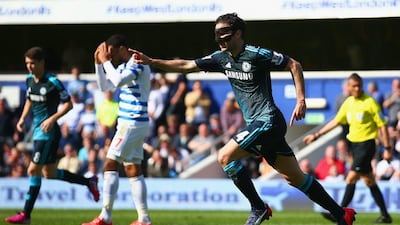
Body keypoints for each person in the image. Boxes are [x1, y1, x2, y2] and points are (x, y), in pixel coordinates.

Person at [131, 13, 355, 225]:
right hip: (259, 126)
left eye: (225, 37)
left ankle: (258, 207)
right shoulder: (221, 58)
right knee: (295, 178)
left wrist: (301, 99)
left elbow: (293, 64)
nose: (221, 42)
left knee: (225, 156)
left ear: (238, 34)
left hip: (268, 120)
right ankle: (341, 213)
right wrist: (153, 61)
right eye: (217, 37)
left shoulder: (257, 55)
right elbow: (187, 65)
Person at [4, 46, 99, 224]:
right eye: (27, 64)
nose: (29, 67)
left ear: (42, 62)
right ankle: (89, 182)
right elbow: (30, 99)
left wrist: (52, 119)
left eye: (32, 63)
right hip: (37, 131)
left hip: (49, 132)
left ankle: (26, 214)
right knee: (49, 173)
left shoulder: (53, 81)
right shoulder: (29, 80)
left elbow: (68, 104)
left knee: (33, 170)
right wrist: (23, 118)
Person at [303, 73, 392, 224]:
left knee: (351, 177)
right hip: (355, 146)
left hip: (367, 145)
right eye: (354, 86)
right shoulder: (349, 103)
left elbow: (382, 126)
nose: (357, 88)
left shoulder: (370, 102)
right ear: (349, 87)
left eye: (359, 86)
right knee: (369, 181)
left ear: (362, 86)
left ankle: (340, 212)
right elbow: (336, 121)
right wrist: (317, 134)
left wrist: (387, 148)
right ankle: (385, 215)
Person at [82, 34, 152, 225]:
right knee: (133, 168)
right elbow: (106, 86)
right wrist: (98, 64)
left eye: (111, 53)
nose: (110, 58)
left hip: (132, 121)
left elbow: (119, 81)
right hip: (130, 122)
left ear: (121, 49)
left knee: (110, 164)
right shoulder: (122, 66)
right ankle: (144, 219)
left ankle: (105, 216)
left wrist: (105, 62)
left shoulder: (137, 62)